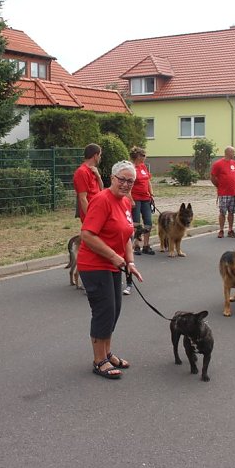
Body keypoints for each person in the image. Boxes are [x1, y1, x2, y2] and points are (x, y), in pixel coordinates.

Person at [78, 160, 143, 379]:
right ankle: (99, 361)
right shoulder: (102, 200)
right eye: (122, 179)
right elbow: (87, 234)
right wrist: (114, 257)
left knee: (114, 310)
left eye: (130, 181)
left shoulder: (124, 202)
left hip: (114, 264)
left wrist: (130, 262)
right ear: (112, 179)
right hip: (95, 265)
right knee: (104, 311)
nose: (126, 184)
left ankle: (107, 353)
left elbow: (126, 235)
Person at [129, 146, 154, 256]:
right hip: (135, 198)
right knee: (136, 223)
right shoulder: (131, 168)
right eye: (143, 155)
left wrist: (151, 193)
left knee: (148, 222)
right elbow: (128, 185)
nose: (145, 157)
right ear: (137, 156)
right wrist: (131, 199)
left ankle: (146, 245)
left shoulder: (143, 166)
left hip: (146, 198)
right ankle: (136, 245)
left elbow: (148, 181)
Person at [210, 146, 235, 239]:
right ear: (228, 152)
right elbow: (212, 177)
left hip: (233, 192)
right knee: (222, 212)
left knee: (231, 212)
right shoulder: (218, 164)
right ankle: (221, 230)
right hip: (223, 192)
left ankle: (230, 230)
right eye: (233, 152)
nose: (234, 154)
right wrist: (218, 185)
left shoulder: (234, 163)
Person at [73, 143, 103, 221]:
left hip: (98, 209)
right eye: (100, 155)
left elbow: (101, 189)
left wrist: (98, 176)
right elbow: (83, 198)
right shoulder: (82, 172)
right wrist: (90, 218)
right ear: (95, 156)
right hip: (91, 212)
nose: (100, 157)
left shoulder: (94, 170)